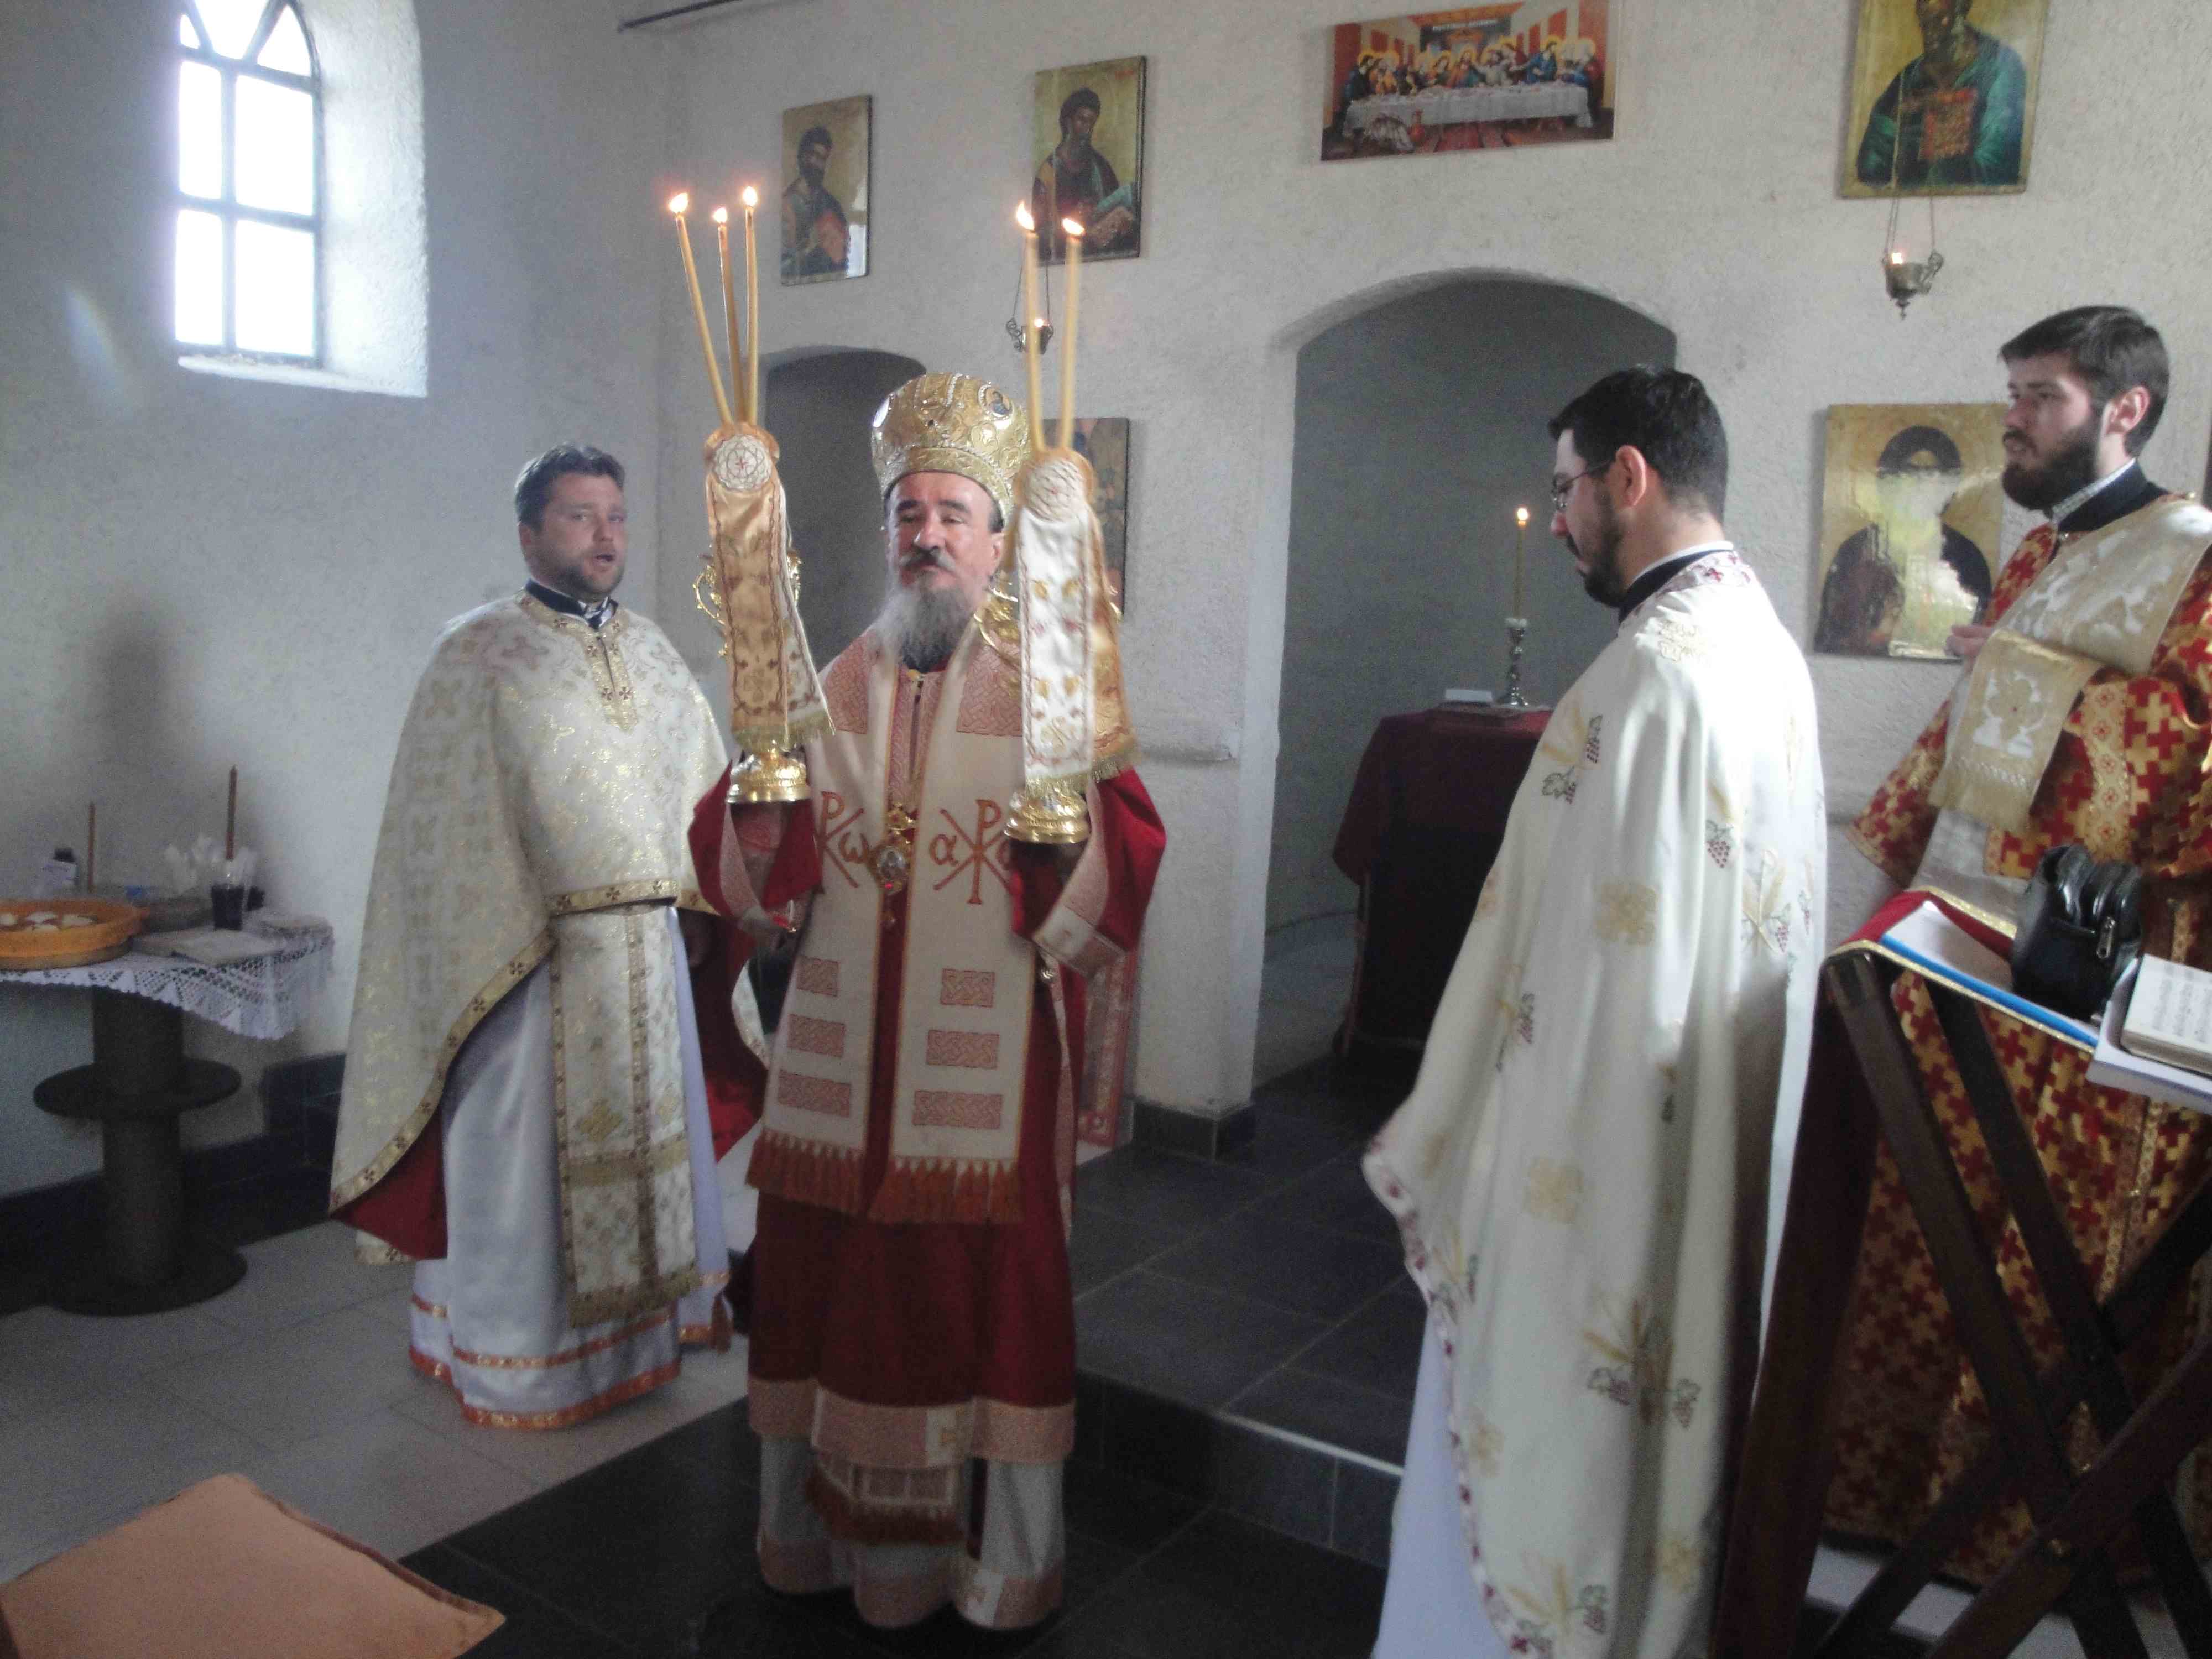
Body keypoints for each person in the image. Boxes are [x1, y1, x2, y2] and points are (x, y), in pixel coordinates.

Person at [1364, 368, 1826, 1658]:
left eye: (1564, 487)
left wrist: (1486, 1160)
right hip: (1704, 1144)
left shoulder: (1655, 680)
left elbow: (1583, 990)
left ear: (1628, 476)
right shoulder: (1759, 644)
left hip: (1600, 1173)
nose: (1560, 518)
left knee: (1539, 1451)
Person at [692, 372, 1165, 1632]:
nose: (929, 536)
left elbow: (1121, 873)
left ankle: (992, 1569)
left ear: (998, 542)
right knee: (821, 1290)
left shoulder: (1045, 692)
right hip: (837, 1082)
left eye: (956, 513)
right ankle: (818, 1544)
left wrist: (1062, 839)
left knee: (989, 1303)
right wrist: (758, 795)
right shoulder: (834, 684)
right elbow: (751, 870)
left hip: (984, 1084)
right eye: (910, 512)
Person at [1812, 306, 2212, 1577]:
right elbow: (1967, 720)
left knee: (2049, 1257)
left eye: (2039, 397)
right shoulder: (2042, 547)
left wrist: (2028, 672)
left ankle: (2030, 1533)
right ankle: (1887, 1496)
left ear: (2123, 409)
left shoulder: (2194, 556)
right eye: (2012, 396)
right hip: (1965, 936)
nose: (2012, 422)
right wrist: (1880, 860)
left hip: (2094, 964)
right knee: (1925, 1215)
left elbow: (2186, 750)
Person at [328, 445, 757, 1427]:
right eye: (579, 516)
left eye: (615, 516)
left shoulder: (654, 651)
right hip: (528, 960)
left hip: (648, 953)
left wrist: (701, 904)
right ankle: (522, 1362)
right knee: (518, 1171)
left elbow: (700, 795)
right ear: (529, 535)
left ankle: (640, 1343)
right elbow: (443, 829)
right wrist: (513, 925)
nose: (605, 536)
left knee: (652, 1155)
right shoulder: (478, 653)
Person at [1814, 423, 1991, 656]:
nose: (1919, 483)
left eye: (1931, 473)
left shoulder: (1967, 557)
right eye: (1909, 472)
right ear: (1889, 480)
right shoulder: (1855, 550)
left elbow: (1979, 638)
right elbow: (1835, 636)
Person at [1855, 0, 2028, 190]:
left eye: (1940, 18)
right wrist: (1893, 122)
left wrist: (1930, 159)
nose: (1929, 30)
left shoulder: (2001, 67)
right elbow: (1870, 171)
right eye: (1924, 20)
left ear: (1962, 8)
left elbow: (1997, 171)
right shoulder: (1910, 76)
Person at [1032, 87, 1135, 258]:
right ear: (1068, 122)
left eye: (1091, 123)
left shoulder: (1100, 167)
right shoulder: (1048, 172)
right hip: (1067, 251)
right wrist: (1074, 218)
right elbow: (1039, 231)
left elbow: (1117, 208)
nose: (1087, 128)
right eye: (1082, 120)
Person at [781, 123, 850, 280]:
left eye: (821, 158)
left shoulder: (831, 204)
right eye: (811, 154)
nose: (814, 162)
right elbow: (784, 265)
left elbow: (842, 258)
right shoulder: (788, 203)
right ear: (801, 156)